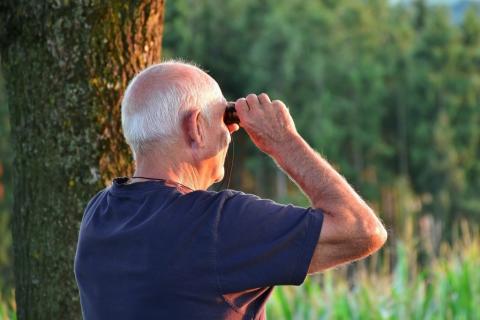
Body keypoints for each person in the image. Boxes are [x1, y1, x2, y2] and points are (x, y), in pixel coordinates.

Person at [74, 60, 387, 320]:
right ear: (195, 128)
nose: (230, 133)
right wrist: (282, 141)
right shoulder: (216, 225)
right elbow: (362, 230)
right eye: (224, 118)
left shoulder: (99, 215)